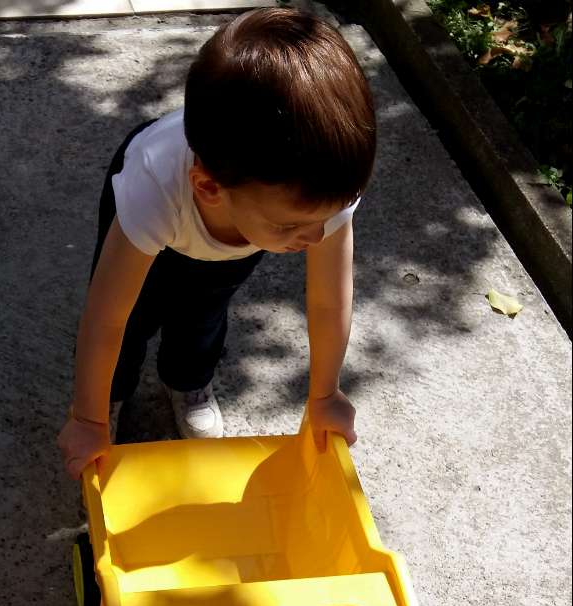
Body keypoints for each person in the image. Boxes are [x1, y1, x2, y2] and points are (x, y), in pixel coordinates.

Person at [58, 8, 376, 479]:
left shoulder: (320, 189)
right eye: (291, 226)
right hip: (164, 216)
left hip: (235, 230)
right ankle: (111, 395)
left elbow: (329, 300)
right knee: (134, 314)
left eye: (328, 217)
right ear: (209, 187)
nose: (316, 236)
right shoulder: (152, 188)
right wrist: (87, 419)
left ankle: (188, 380)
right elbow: (106, 316)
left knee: (205, 309)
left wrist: (325, 393)